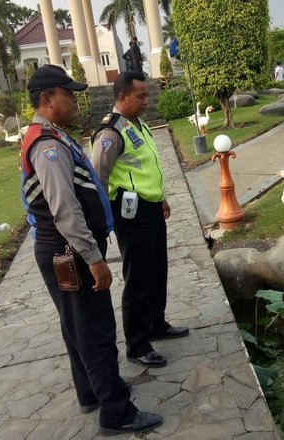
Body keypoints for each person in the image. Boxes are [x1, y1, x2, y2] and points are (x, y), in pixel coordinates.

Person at [19, 64, 162, 435]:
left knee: (77, 326)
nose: (75, 101)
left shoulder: (52, 136)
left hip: (64, 250)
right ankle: (116, 411)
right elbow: (65, 210)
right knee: (95, 330)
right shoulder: (48, 146)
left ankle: (91, 392)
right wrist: (94, 259)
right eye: (68, 95)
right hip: (69, 252)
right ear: (47, 99)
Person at [90, 71, 189, 369]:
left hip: (150, 208)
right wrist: (104, 218)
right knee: (138, 278)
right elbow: (98, 178)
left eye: (147, 95)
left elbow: (146, 166)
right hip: (129, 214)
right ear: (122, 97)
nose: (147, 101)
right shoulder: (111, 132)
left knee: (158, 270)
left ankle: (156, 324)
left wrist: (160, 198)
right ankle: (137, 343)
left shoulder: (138, 124)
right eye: (141, 96)